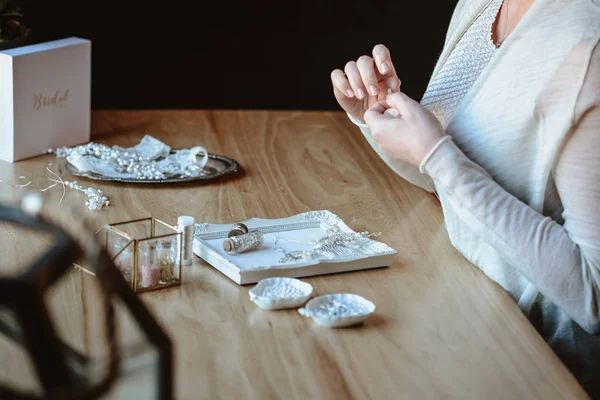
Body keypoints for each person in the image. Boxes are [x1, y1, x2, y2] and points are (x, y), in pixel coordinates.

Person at [331, 0, 600, 396]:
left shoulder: (586, 45)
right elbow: (453, 186)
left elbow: (592, 295)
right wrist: (378, 117)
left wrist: (437, 156)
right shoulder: (483, 4)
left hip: (534, 362)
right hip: (459, 303)